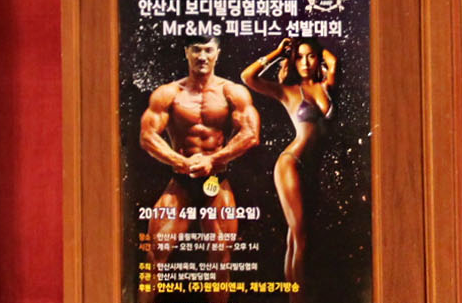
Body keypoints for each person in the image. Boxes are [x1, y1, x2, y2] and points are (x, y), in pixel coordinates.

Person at [138, 37, 260, 265]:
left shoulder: (233, 92)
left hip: (216, 181)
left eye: (208, 50)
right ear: (187, 53)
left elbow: (251, 134)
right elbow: (147, 136)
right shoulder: (168, 93)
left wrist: (212, 160)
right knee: (155, 253)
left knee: (220, 259)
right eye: (196, 50)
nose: (202, 56)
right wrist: (181, 162)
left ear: (217, 54)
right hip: (181, 181)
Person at [240, 36, 337, 288]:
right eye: (299, 57)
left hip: (310, 170)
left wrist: (313, 47)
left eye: (310, 56)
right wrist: (277, 53)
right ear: (293, 61)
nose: (305, 62)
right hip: (290, 163)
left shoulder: (327, 86)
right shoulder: (288, 91)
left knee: (295, 239)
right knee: (301, 237)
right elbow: (248, 77)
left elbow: (333, 61)